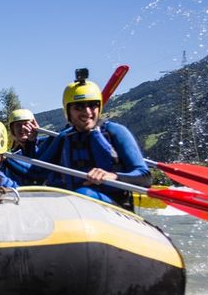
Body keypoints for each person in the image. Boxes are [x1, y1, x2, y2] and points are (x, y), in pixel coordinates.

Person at [28, 70, 150, 210]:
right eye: (78, 107)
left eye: (92, 105)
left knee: (83, 193)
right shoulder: (64, 138)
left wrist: (113, 176)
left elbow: (145, 178)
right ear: (68, 111)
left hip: (115, 209)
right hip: (73, 207)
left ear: (99, 107)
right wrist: (29, 142)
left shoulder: (115, 132)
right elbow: (35, 173)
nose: (87, 111)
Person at [1, 108, 51, 186]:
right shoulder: (12, 155)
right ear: (12, 129)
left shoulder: (46, 144)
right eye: (18, 125)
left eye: (26, 124)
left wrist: (31, 142)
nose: (22, 128)